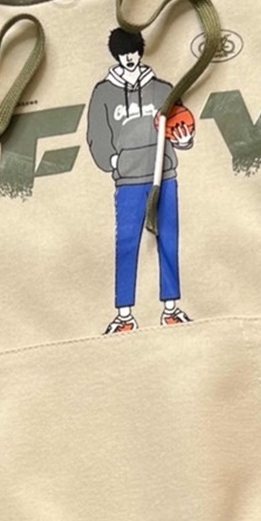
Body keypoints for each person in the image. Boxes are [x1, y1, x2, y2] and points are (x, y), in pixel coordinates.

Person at [84, 27, 194, 333]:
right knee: (127, 243)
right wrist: (114, 161)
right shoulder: (103, 93)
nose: (129, 58)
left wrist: (184, 141)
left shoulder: (163, 89)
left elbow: (181, 126)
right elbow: (96, 135)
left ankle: (171, 309)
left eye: (133, 51)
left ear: (140, 52)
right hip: (128, 182)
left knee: (168, 240)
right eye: (123, 54)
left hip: (165, 176)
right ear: (116, 56)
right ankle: (124, 316)